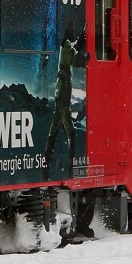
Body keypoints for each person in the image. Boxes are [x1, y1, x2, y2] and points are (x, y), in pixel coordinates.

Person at [43, 24, 90, 167]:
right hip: (62, 93)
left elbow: (76, 46)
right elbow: (75, 59)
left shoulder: (66, 44)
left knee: (69, 129)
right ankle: (48, 158)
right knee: (56, 126)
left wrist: (84, 35)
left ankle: (71, 159)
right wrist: (87, 59)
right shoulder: (66, 45)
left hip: (64, 94)